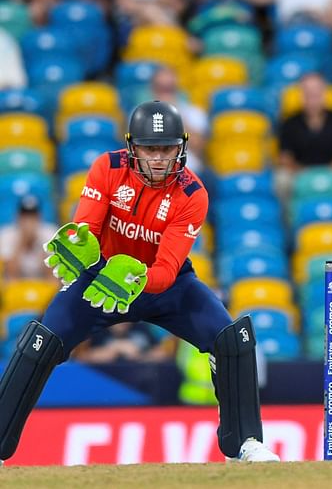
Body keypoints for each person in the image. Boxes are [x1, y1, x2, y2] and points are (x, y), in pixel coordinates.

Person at [0, 101, 279, 463]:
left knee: (231, 337)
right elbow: (87, 227)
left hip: (162, 285)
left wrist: (134, 274)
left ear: (181, 148)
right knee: (39, 341)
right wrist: (82, 247)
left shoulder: (193, 194)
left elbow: (165, 271)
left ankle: (244, 443)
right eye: (150, 148)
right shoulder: (108, 168)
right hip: (99, 280)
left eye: (166, 149)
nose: (159, 158)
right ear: (132, 147)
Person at [276, 72, 332, 196]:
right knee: (281, 179)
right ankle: (288, 215)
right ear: (301, 95)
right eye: (308, 93)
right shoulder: (289, 123)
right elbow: (284, 157)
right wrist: (301, 171)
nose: (313, 98)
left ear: (324, 94)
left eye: (316, 93)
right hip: (299, 172)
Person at [0, 195, 57, 281]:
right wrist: (23, 240)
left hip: (43, 285)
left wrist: (38, 241)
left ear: (39, 217)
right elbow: (10, 272)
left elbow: (52, 274)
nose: (29, 220)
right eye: (25, 216)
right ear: (18, 217)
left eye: (33, 216)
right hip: (17, 286)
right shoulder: (6, 234)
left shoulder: (50, 232)